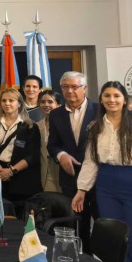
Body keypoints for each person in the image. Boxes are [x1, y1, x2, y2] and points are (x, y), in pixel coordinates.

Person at [72, 81, 132, 262]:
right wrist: (81, 190)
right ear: (101, 99)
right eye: (107, 96)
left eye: (116, 96)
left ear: (124, 100)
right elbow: (91, 161)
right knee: (116, 240)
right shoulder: (95, 127)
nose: (112, 100)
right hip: (106, 185)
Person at [47, 71, 98, 250]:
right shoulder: (55, 114)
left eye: (74, 87)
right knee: (78, 225)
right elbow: (52, 145)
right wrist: (61, 156)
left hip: (99, 178)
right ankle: (82, 260)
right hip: (71, 177)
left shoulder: (100, 110)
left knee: (102, 224)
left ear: (84, 88)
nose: (69, 91)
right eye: (65, 87)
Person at [0, 88, 41, 216]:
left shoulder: (30, 126)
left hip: (21, 177)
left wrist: (11, 171)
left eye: (11, 100)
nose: (7, 103)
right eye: (4, 100)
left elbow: (32, 156)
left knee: (20, 217)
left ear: (19, 103)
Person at [36, 90, 62, 193]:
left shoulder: (66, 124)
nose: (46, 105)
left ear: (58, 105)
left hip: (62, 168)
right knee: (50, 200)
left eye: (50, 102)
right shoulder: (37, 126)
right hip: (45, 169)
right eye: (42, 102)